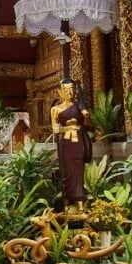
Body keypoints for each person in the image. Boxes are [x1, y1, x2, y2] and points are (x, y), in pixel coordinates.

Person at [49, 78, 92, 214]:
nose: (68, 92)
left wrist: (86, 116)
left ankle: (80, 204)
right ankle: (66, 204)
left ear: (75, 91)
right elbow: (55, 129)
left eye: (71, 89)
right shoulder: (56, 109)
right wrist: (67, 127)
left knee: (78, 170)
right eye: (65, 90)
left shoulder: (80, 107)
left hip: (78, 141)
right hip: (64, 143)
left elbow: (87, 126)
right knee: (66, 171)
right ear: (60, 92)